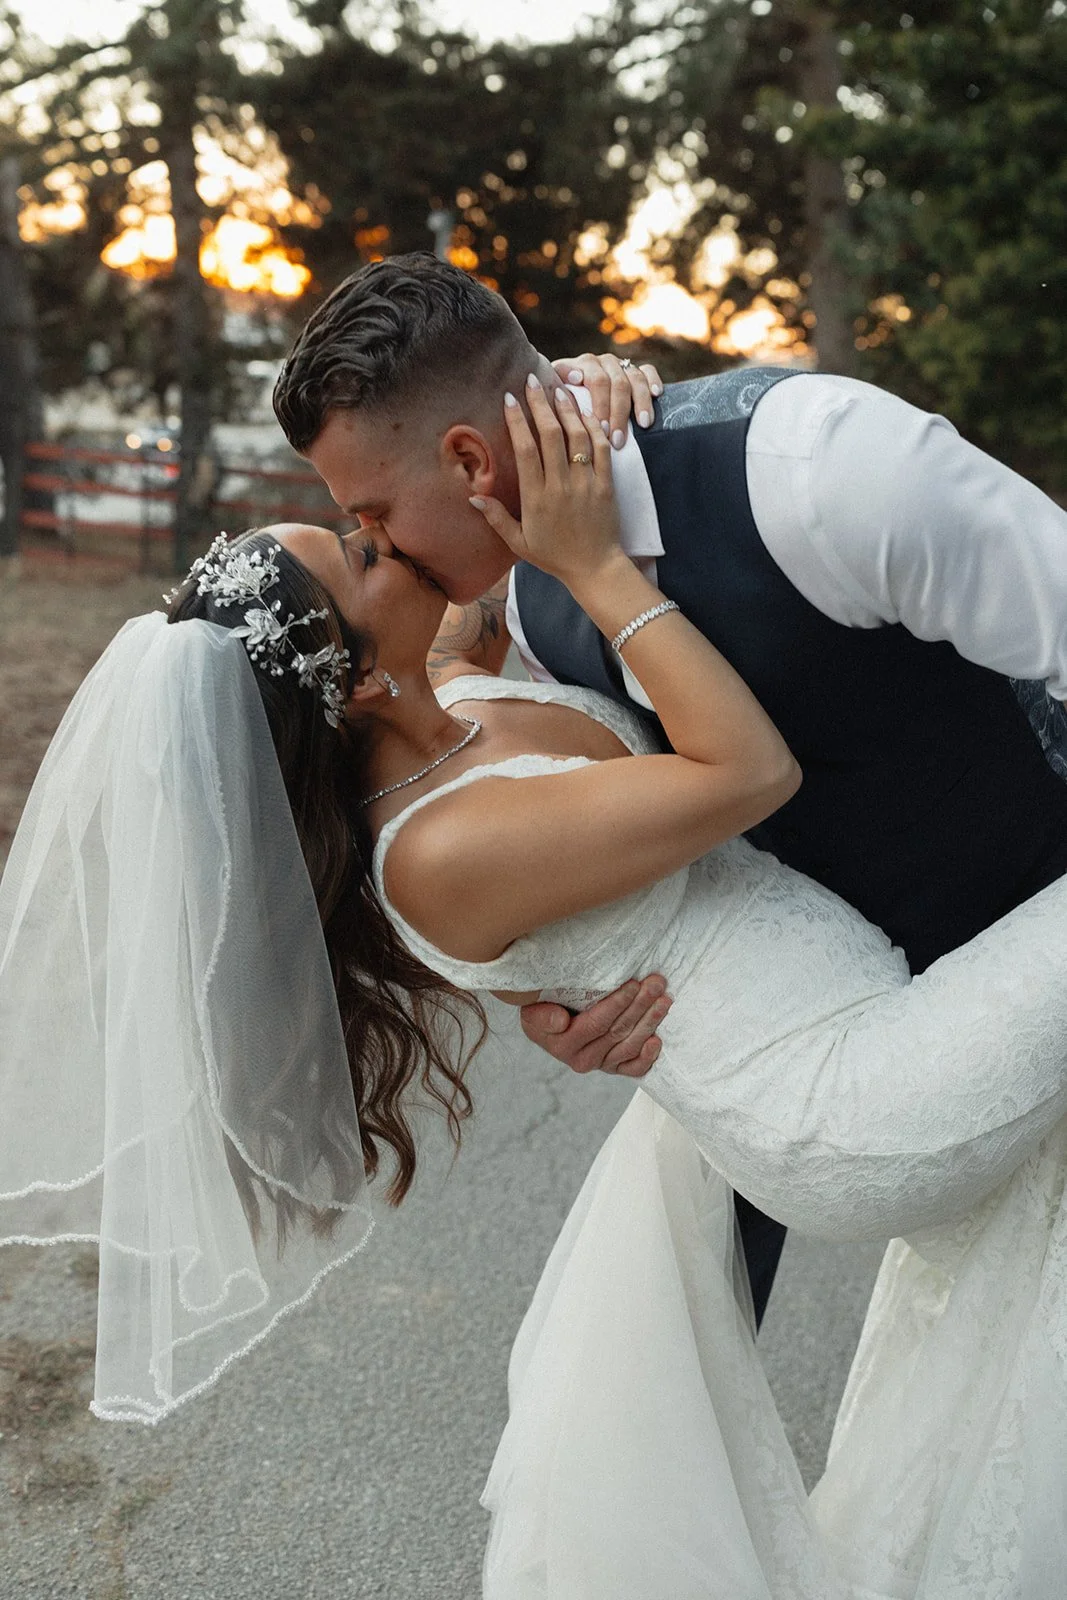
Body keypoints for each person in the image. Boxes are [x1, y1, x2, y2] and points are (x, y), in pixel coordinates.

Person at [1, 385, 1065, 1592]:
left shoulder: (448, 687)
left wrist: (591, 380)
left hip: (865, 1008)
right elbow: (748, 769)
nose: (383, 537)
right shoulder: (438, 849)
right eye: (357, 551)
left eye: (359, 519)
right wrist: (597, 567)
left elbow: (493, 521)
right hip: (851, 1101)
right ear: (346, 685)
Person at [273, 251, 1067, 1325]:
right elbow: (550, 831)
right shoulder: (534, 619)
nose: (375, 538)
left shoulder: (822, 464)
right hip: (898, 1034)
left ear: (467, 458)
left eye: (370, 511)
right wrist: (547, 986)